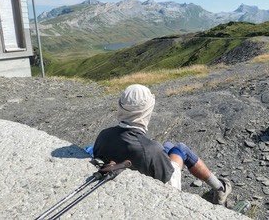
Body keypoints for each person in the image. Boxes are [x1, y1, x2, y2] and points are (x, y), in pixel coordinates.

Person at [92, 84, 232, 205]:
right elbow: (170, 185)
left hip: (132, 165)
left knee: (168, 145)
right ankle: (221, 189)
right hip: (161, 183)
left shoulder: (103, 135)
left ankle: (220, 189)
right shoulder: (151, 150)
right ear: (145, 112)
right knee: (180, 148)